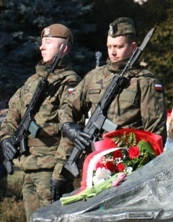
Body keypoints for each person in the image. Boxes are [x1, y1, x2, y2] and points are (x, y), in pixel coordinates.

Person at [59, 17, 167, 171]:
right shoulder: (94, 77)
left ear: (133, 47)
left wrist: (139, 164)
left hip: (127, 163)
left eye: (118, 46)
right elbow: (68, 107)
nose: (113, 52)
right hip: (94, 161)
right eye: (109, 46)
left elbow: (155, 134)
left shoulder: (145, 81)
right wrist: (71, 129)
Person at [0, 24, 81, 222]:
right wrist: (7, 139)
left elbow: (69, 130)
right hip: (29, 167)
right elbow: (13, 112)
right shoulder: (32, 82)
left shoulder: (70, 83)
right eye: (42, 42)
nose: (41, 47)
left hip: (51, 168)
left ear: (64, 48)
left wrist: (60, 172)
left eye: (48, 42)